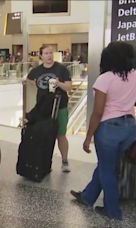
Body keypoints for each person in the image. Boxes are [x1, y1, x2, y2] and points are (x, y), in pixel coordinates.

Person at [70, 42, 136, 220]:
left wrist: (88, 137)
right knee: (106, 164)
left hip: (109, 129)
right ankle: (87, 197)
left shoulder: (105, 78)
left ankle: (112, 212)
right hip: (130, 128)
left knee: (107, 170)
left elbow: (98, 112)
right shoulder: (134, 75)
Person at [26, 45, 72, 173]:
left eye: (51, 53)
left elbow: (69, 87)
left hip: (60, 106)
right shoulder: (37, 70)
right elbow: (28, 79)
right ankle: (45, 162)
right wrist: (32, 83)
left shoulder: (61, 69)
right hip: (43, 107)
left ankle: (65, 161)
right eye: (46, 53)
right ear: (41, 56)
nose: (49, 56)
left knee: (61, 135)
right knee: (43, 134)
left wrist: (59, 84)